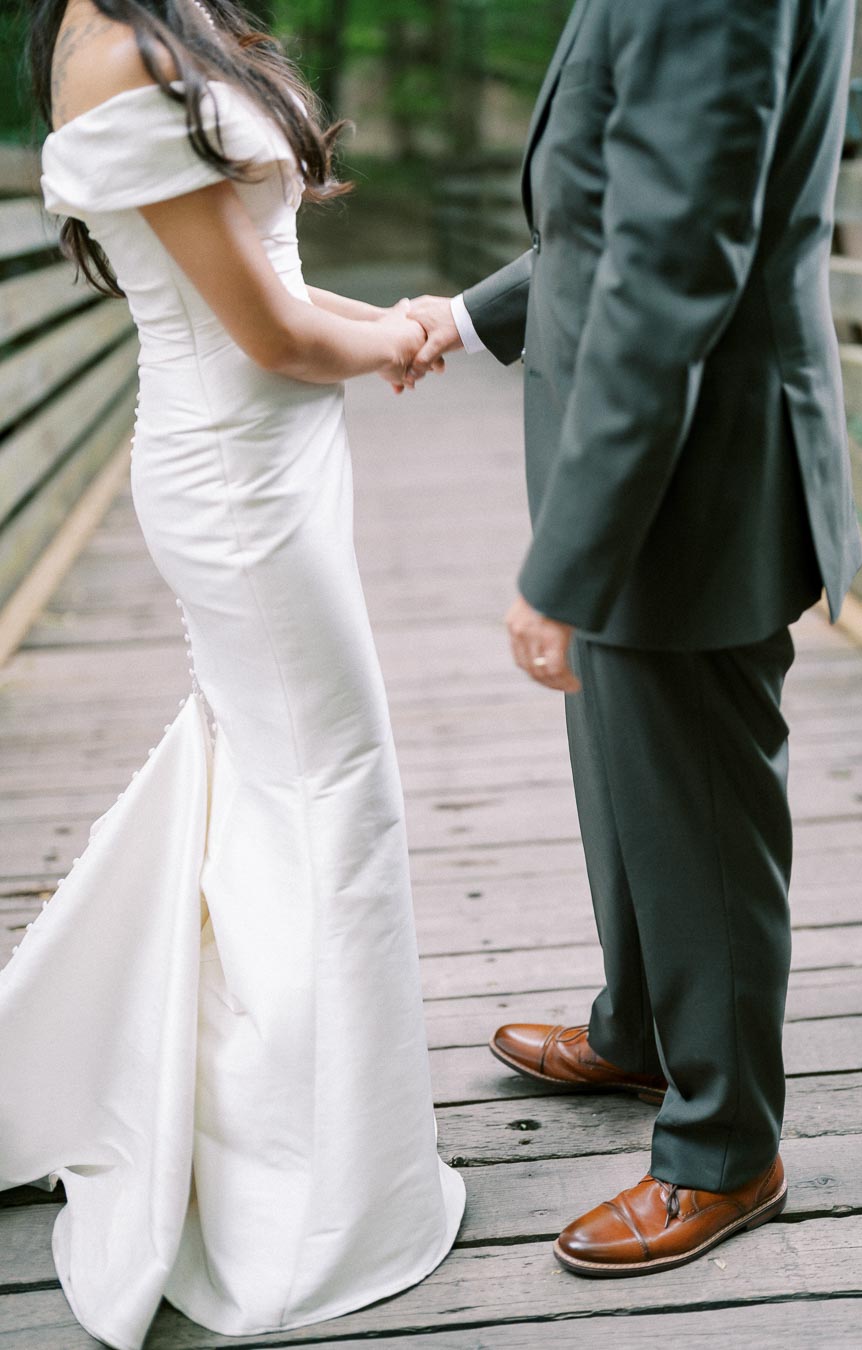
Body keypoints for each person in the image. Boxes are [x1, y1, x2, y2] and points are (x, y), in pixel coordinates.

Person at [0, 2, 464, 1346]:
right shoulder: (113, 51)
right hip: (232, 470)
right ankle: (318, 1193)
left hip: (275, 461)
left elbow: (268, 274)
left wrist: (390, 318)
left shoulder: (171, 22)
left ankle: (285, 1122)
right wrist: (414, 332)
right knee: (337, 790)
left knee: (288, 788)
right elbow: (267, 335)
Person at [408, 0, 862, 1277]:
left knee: (700, 807)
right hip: (643, 455)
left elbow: (675, 257)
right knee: (629, 783)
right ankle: (647, 1028)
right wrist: (472, 310)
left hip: (691, 478)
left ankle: (727, 1151)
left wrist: (569, 562)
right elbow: (611, 202)